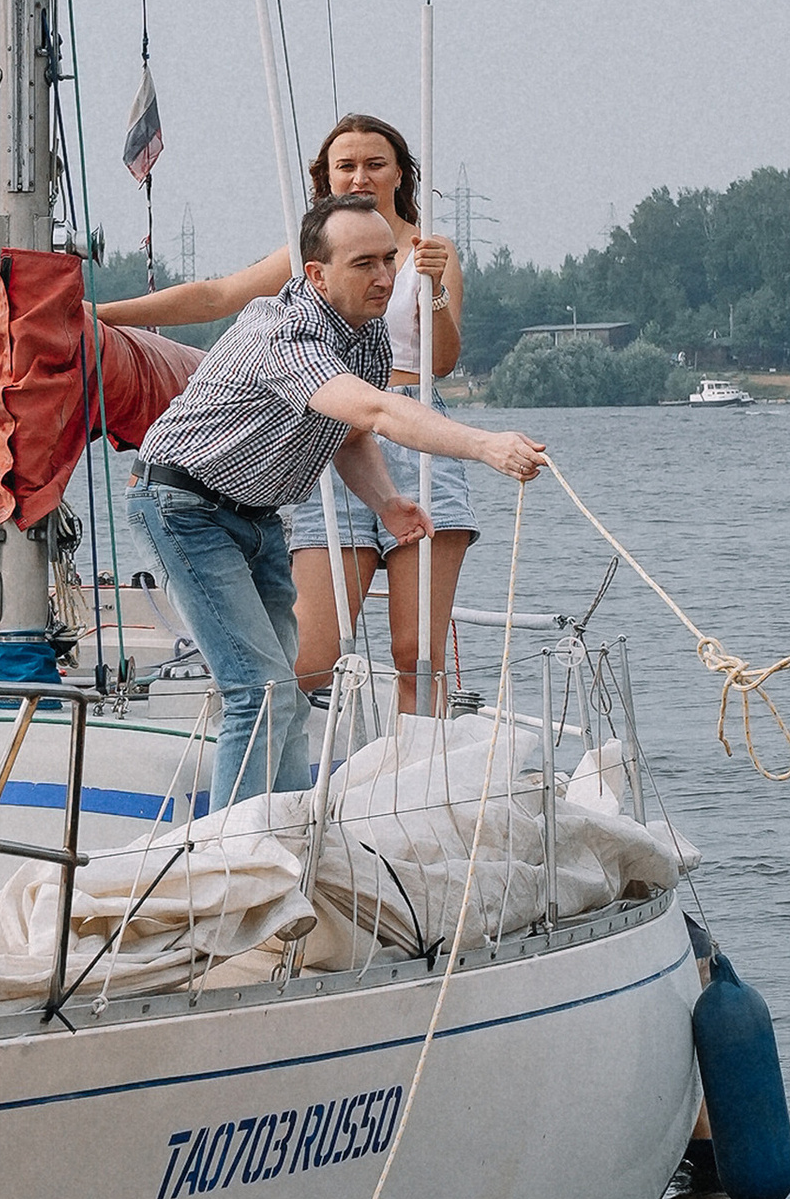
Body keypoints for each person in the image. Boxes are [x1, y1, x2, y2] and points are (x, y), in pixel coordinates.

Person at [129, 192, 544, 807]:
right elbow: (374, 408)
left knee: (286, 693)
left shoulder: (368, 337)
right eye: (363, 265)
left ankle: (286, 836)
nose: (383, 277)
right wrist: (483, 445)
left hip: (258, 515)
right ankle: (223, 854)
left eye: (387, 260)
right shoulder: (284, 332)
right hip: (184, 508)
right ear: (317, 275)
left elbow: (349, 432)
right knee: (257, 689)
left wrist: (385, 504)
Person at [102, 111, 472, 707]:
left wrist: (429, 286)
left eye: (375, 164)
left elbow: (443, 359)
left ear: (400, 173)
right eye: (344, 166)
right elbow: (217, 295)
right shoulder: (313, 257)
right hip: (336, 428)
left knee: (415, 650)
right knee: (313, 656)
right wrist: (101, 315)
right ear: (324, 177)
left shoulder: (429, 252)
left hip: (417, 424)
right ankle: (280, 765)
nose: (359, 177)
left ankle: (417, 772)